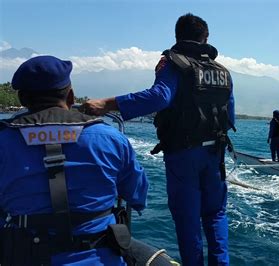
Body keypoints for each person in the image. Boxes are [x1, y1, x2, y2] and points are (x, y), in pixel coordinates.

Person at [80, 13, 234, 265]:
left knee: (187, 218)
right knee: (216, 214)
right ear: (206, 37)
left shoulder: (174, 64)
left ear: (177, 36)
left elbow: (159, 97)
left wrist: (108, 104)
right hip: (214, 154)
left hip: (184, 154)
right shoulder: (223, 73)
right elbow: (230, 117)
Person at [0, 56, 149, 265]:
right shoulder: (111, 138)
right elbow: (137, 195)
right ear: (70, 96)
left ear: (23, 100)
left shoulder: (3, 141)